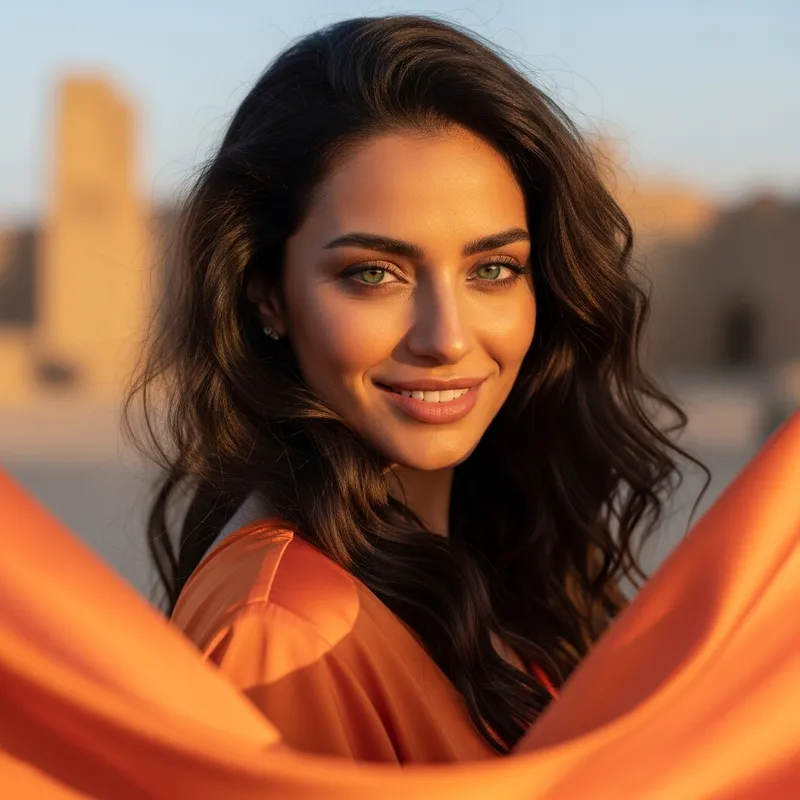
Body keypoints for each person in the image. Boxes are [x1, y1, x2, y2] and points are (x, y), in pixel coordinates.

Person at [121, 13, 706, 762]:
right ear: (267, 294)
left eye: (492, 269)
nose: (448, 338)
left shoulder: (492, 553)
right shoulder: (285, 633)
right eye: (374, 273)